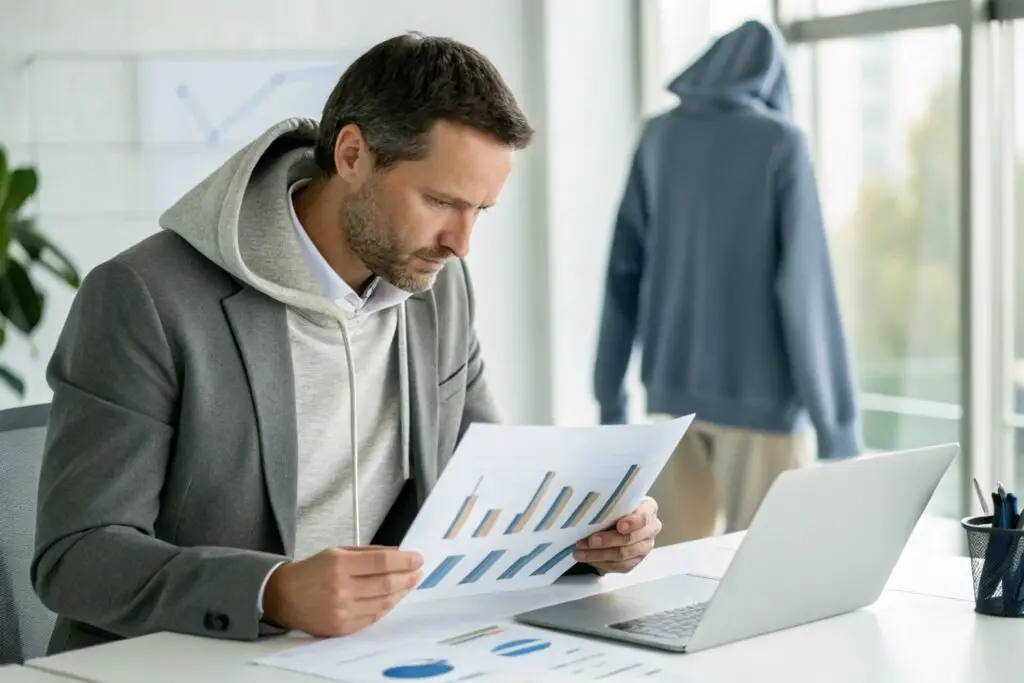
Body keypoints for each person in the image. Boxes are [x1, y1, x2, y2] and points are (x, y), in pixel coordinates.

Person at [31, 32, 663, 655]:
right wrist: (271, 591)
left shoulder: (438, 287)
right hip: (178, 660)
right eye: (440, 200)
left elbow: (487, 495)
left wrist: (588, 539)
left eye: (481, 210)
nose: (460, 242)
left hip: (368, 653)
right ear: (353, 154)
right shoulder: (145, 297)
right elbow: (76, 555)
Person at [593, 20, 860, 545]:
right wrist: (838, 429)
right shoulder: (780, 142)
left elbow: (622, 271)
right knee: (770, 578)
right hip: (764, 404)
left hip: (672, 398)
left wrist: (610, 393)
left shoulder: (659, 136)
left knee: (665, 580)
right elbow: (806, 289)